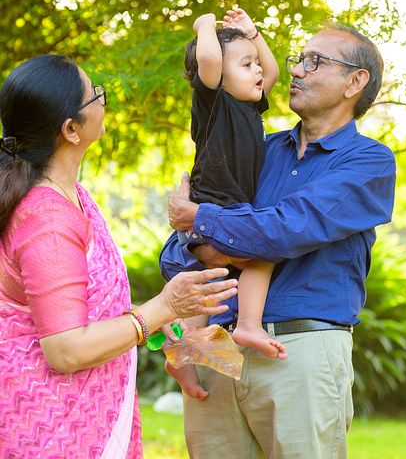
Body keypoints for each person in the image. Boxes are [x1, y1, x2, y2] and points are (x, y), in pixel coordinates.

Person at [160, 22, 396, 459]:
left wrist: (202, 222)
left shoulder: (369, 162)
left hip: (299, 352)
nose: (297, 71)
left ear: (355, 82)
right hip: (216, 351)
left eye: (315, 62)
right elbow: (179, 246)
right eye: (298, 61)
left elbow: (286, 228)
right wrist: (199, 235)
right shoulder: (257, 149)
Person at [0, 54, 238, 459]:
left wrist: (155, 319)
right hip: (51, 429)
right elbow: (66, 348)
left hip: (79, 418)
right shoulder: (48, 219)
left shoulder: (69, 196)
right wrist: (162, 308)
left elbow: (73, 311)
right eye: (94, 95)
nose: (102, 100)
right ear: (71, 129)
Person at [170, 8, 285, 400]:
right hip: (214, 207)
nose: (258, 70)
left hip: (228, 211)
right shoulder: (214, 102)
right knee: (261, 254)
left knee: (208, 282)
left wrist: (253, 35)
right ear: (219, 75)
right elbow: (208, 60)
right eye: (246, 64)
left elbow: (273, 73)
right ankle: (248, 325)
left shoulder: (250, 106)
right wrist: (205, 25)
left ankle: (181, 354)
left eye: (255, 62)